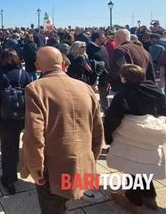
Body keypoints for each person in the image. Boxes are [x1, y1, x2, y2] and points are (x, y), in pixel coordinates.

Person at [21, 47, 103, 213]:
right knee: (64, 204)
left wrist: (36, 168)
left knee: (52, 208)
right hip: (82, 162)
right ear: (64, 64)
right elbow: (98, 130)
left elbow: (34, 135)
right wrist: (92, 159)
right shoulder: (85, 88)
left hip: (53, 168)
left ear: (37, 65)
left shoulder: (35, 88)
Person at [104, 64, 166, 212]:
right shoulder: (154, 89)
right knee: (145, 166)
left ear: (123, 78)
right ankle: (150, 197)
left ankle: (134, 201)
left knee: (133, 168)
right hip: (151, 136)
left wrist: (108, 136)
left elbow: (113, 119)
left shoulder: (122, 95)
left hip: (132, 136)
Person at [0, 49, 31, 194]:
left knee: (6, 146)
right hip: (19, 116)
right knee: (15, 142)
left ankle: (8, 178)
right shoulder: (24, 74)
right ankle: (14, 167)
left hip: (3, 115)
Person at [87, 31, 111, 112]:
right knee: (91, 100)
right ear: (97, 39)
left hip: (105, 79)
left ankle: (107, 115)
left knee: (105, 97)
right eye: (103, 37)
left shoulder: (103, 47)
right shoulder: (89, 49)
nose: (105, 38)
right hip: (94, 80)